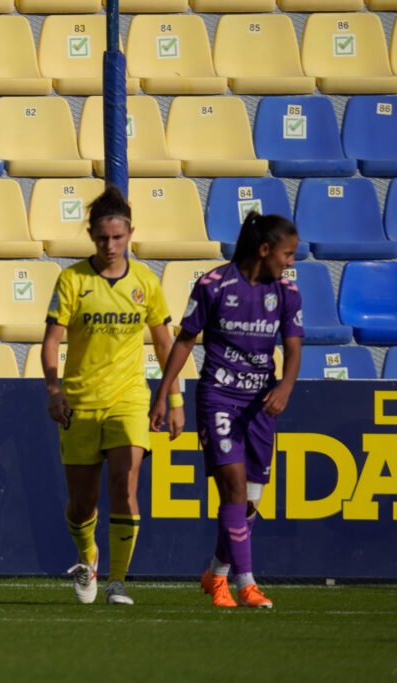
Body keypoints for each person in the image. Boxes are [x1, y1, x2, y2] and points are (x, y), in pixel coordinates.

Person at [150, 212, 302, 610]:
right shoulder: (213, 285)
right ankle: (245, 584)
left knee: (249, 501)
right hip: (219, 397)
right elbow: (184, 341)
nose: (291, 262)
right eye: (287, 254)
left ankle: (216, 572)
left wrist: (285, 386)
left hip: (260, 404)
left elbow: (293, 348)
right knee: (233, 489)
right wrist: (164, 393)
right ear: (264, 250)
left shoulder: (287, 294)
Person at [42, 185, 183, 606]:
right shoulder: (72, 280)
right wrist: (54, 388)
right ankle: (89, 558)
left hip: (129, 400)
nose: (110, 245)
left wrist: (173, 400)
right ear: (91, 236)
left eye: (118, 237)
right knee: (82, 503)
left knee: (125, 484)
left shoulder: (145, 282)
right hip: (81, 402)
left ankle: (119, 581)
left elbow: (164, 345)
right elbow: (51, 341)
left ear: (130, 234)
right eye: (103, 238)